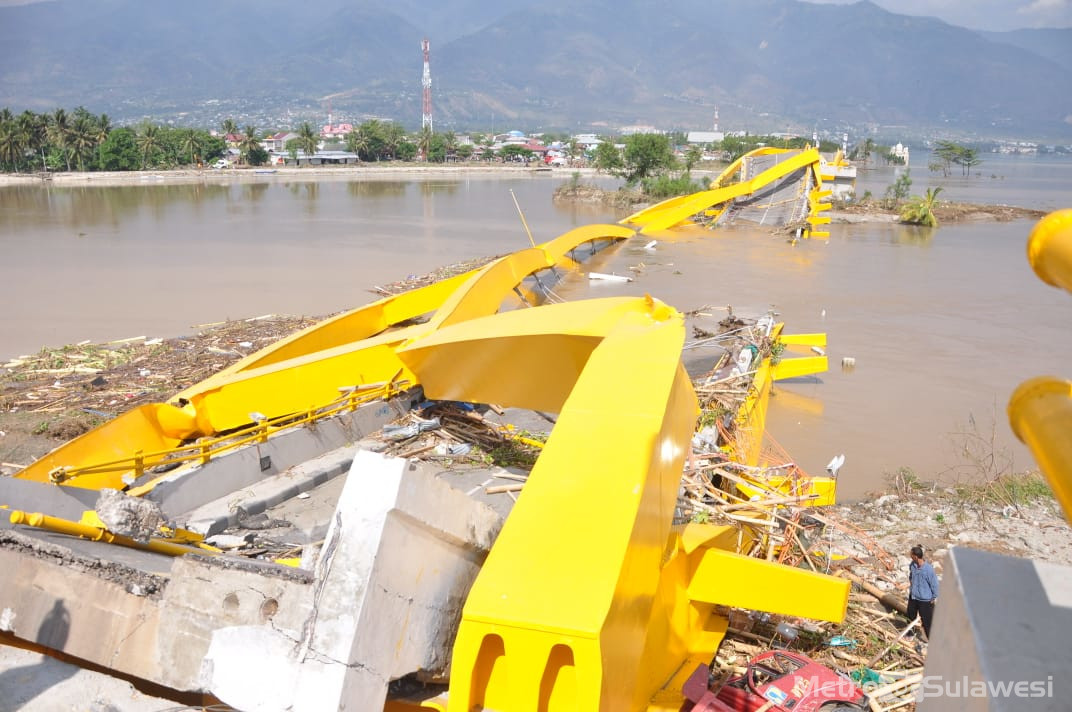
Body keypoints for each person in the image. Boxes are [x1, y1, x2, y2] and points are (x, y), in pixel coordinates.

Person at [907, 544, 939, 638]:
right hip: (913, 596)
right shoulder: (912, 565)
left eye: (911, 555)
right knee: (910, 616)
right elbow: (911, 575)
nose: (910, 556)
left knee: (927, 621)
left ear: (916, 557)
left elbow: (935, 585)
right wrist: (911, 582)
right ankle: (910, 634)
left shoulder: (928, 570)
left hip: (924, 600)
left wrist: (933, 597)